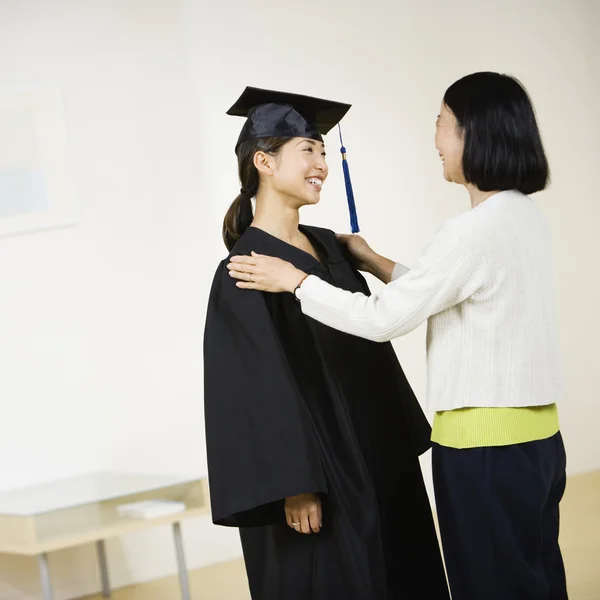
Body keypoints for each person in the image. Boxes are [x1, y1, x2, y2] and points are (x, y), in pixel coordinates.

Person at [228, 72, 569, 600]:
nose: (435, 138)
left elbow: (386, 318)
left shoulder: (468, 233)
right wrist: (371, 260)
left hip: (482, 447)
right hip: (538, 442)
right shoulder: (522, 216)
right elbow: (453, 291)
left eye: (441, 123)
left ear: (472, 133)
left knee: (493, 585)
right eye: (307, 149)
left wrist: (299, 282)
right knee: (536, 575)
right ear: (264, 162)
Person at [203, 87, 450, 600]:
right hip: (319, 466)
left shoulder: (331, 249)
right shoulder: (246, 269)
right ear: (264, 162)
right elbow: (251, 388)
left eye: (322, 150)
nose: (321, 164)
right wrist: (294, 482)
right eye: (307, 151)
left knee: (405, 570)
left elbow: (371, 334)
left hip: (376, 448)